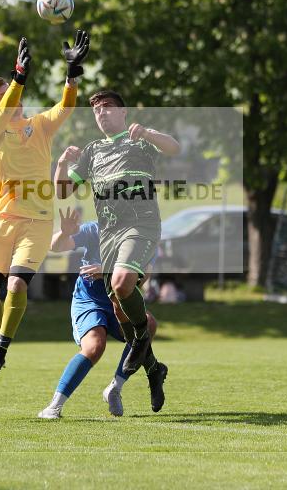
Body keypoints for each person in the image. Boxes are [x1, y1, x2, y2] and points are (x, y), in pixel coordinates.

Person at [0, 30, 91, 393]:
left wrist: (72, 74)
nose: (12, 99)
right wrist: (19, 76)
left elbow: (65, 108)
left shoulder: (37, 126)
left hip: (37, 223)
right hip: (2, 222)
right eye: (3, 96)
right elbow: (6, 108)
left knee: (18, 283)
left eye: (12, 92)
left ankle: (0, 351)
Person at [55, 90, 180, 377]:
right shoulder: (92, 151)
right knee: (118, 301)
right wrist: (62, 164)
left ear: (124, 113)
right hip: (109, 233)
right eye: (97, 109)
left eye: (108, 107)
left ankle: (139, 338)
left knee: (122, 283)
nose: (102, 112)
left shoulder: (139, 141)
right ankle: (152, 366)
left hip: (140, 225)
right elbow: (62, 191)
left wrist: (147, 133)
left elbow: (174, 148)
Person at [37, 207, 166, 419]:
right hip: (90, 299)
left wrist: (107, 271)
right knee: (95, 346)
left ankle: (115, 388)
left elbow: (142, 279)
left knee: (149, 324)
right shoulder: (95, 230)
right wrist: (65, 233)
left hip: (119, 300)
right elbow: (56, 246)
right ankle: (54, 406)